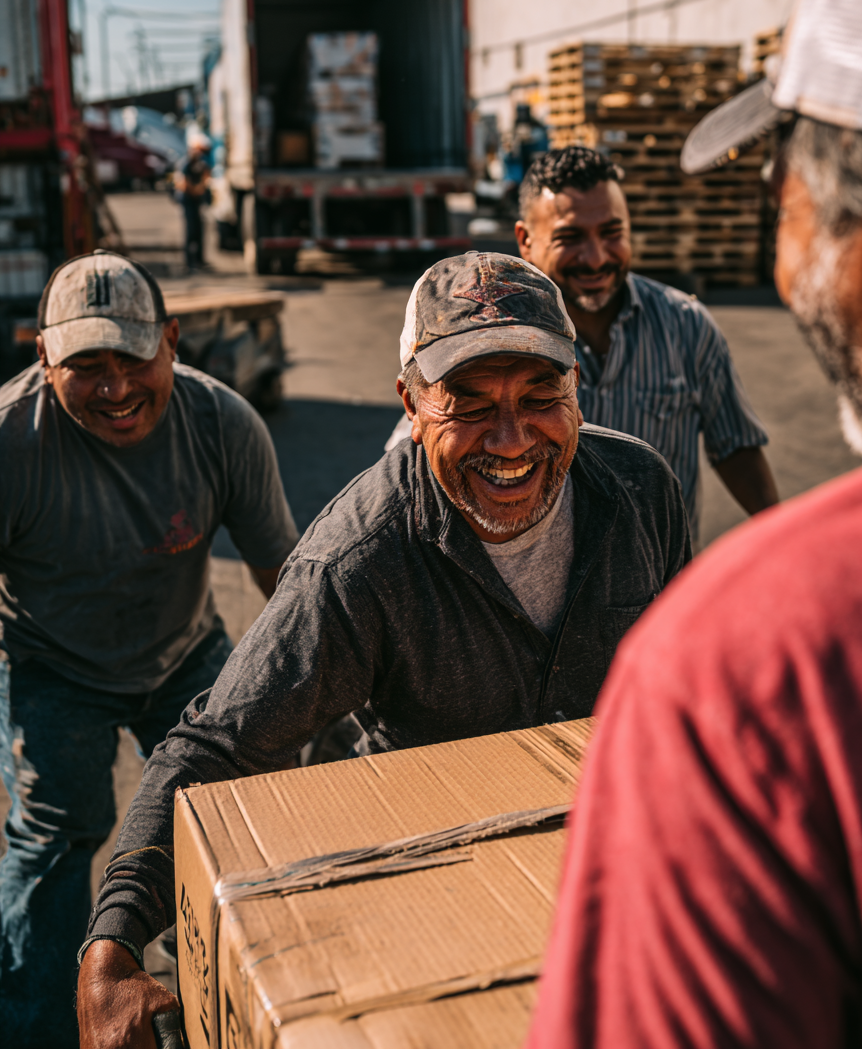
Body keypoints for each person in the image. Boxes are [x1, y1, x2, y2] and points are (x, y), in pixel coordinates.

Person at [76, 250, 692, 1046]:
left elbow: (693, 687)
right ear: (410, 402)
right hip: (434, 893)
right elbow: (219, 743)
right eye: (469, 404)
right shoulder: (360, 559)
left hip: (605, 872)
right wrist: (112, 947)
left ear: (578, 386)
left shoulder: (641, 491)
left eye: (542, 396)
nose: (511, 439)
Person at [528, 0, 862, 1049]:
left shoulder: (756, 677)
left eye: (779, 182)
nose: (773, 222)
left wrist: (797, 570)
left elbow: (739, 446)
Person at [0, 250, 299, 1049]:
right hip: (52, 664)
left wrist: (317, 706)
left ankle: (208, 1001)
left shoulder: (223, 425)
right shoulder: (10, 442)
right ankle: (38, 1028)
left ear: (170, 341)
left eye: (133, 359)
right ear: (43, 355)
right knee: (56, 839)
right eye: (87, 367)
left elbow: (287, 583)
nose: (115, 388)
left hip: (185, 652)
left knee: (226, 825)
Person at [514, 145, 779, 540]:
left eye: (612, 232)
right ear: (526, 240)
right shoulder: (501, 341)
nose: (595, 258)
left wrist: (787, 539)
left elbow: (735, 448)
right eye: (569, 237)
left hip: (665, 573)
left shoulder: (686, 325)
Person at [176, 135, 211, 271]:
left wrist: (201, 187)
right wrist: (197, 190)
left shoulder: (201, 164)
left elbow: (206, 177)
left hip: (196, 201)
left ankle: (199, 260)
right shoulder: (185, 164)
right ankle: (189, 261)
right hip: (188, 201)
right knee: (190, 231)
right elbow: (183, 184)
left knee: (199, 230)